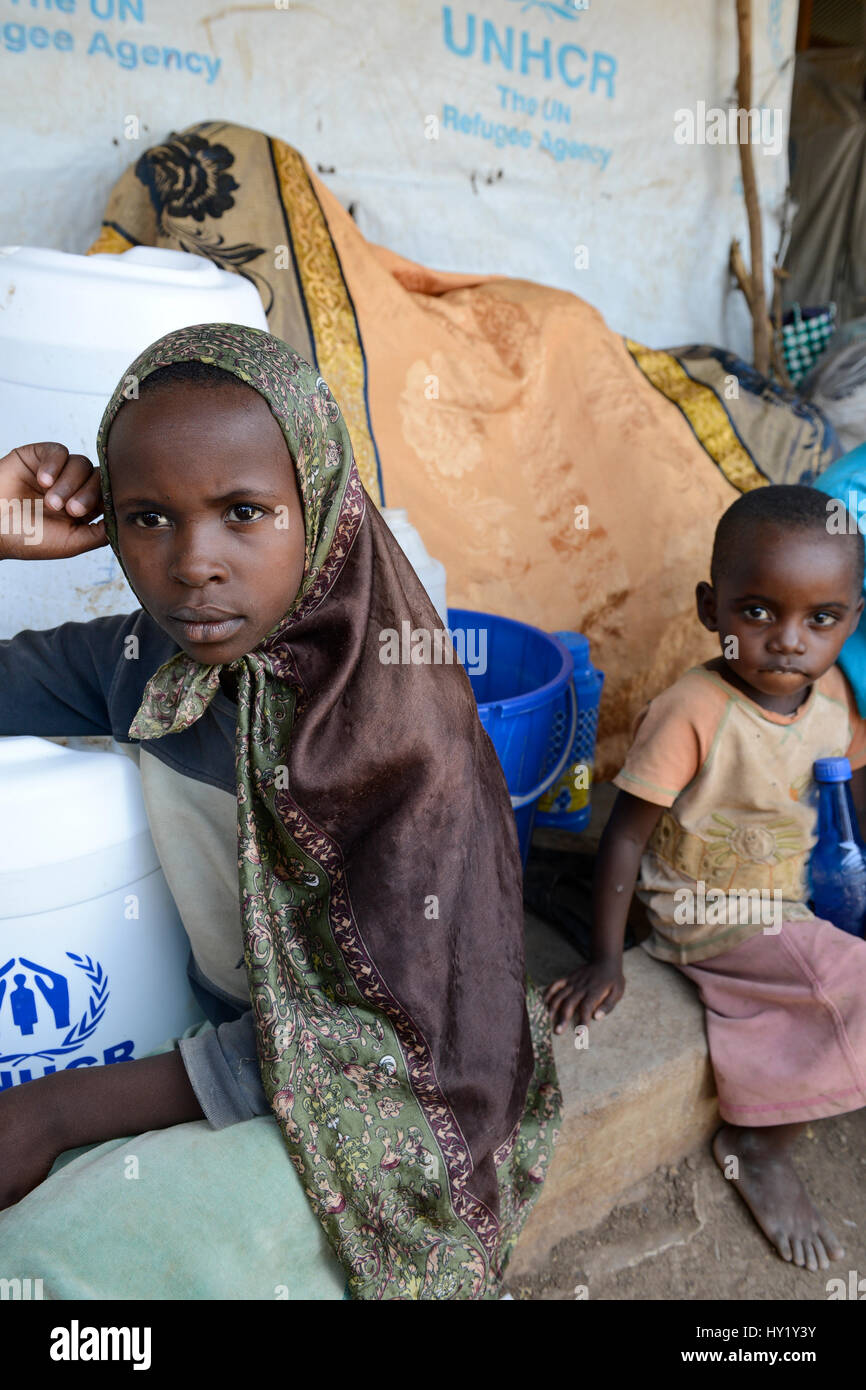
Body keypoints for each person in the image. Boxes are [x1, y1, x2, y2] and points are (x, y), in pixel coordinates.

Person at [0, 322, 561, 1301]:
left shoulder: (398, 726)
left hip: (393, 1100)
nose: (192, 564)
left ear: (324, 505)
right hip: (230, 1053)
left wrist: (53, 1112)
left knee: (46, 1264)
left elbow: (387, 1032)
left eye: (243, 512)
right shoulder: (144, 665)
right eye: (146, 517)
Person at [545, 484, 866, 1273]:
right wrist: (608, 956)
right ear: (710, 608)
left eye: (821, 619)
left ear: (853, 619)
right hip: (706, 906)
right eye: (757, 612)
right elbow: (624, 836)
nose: (789, 641)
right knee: (849, 980)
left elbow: (848, 784)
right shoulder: (693, 710)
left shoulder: (828, 697)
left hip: (783, 890)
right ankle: (758, 1144)